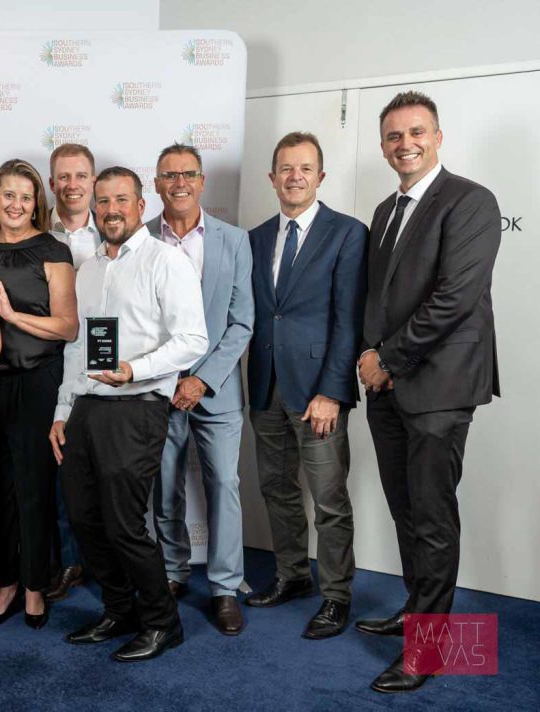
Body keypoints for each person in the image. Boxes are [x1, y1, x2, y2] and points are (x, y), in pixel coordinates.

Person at [356, 91, 501, 693]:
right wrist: (371, 358)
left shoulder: (471, 200)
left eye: (416, 132)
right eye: (394, 135)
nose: (405, 144)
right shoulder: (386, 209)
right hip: (388, 388)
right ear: (383, 145)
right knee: (406, 511)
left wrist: (387, 358)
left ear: (437, 137)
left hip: (440, 385)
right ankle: (418, 612)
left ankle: (431, 651)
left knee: (433, 518)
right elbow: (380, 299)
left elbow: (454, 298)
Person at [50, 167, 208, 663]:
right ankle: (119, 610)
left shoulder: (167, 261)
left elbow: (193, 339)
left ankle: (163, 623)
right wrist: (62, 409)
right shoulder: (89, 269)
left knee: (124, 524)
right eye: (102, 201)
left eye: (122, 199)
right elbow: (77, 348)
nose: (111, 209)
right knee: (84, 518)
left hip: (137, 409)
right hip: (86, 408)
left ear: (141, 205)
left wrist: (134, 369)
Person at [245, 132, 368, 640]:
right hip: (265, 387)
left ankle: (336, 596)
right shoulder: (254, 238)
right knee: (277, 490)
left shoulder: (347, 233)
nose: (294, 177)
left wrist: (332, 392)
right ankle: (292, 575)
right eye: (285, 168)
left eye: (305, 168)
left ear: (321, 177)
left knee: (329, 501)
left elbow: (348, 320)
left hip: (318, 392)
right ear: (272, 178)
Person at [145, 144, 253, 635]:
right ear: (156, 184)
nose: (179, 183)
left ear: (202, 181)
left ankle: (225, 587)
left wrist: (202, 379)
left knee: (224, 485)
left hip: (217, 390)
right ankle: (172, 571)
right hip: (159, 388)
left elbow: (242, 322)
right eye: (169, 175)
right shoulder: (142, 239)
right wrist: (170, 378)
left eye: (188, 173)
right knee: (164, 484)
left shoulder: (235, 241)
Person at [0, 159, 77, 629]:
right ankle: (6, 582)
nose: (16, 204)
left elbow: (68, 327)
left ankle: (36, 585)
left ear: (37, 202)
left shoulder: (53, 250)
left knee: (34, 487)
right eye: (8, 195)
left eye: (25, 196)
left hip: (39, 382)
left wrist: (13, 315)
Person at [42, 143, 99, 602]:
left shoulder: (119, 229)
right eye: (64, 176)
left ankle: (107, 562)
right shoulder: (36, 234)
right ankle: (67, 561)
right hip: (48, 363)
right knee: (57, 467)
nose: (72, 185)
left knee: (106, 468)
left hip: (102, 364)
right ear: (51, 183)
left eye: (81, 175)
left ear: (93, 181)